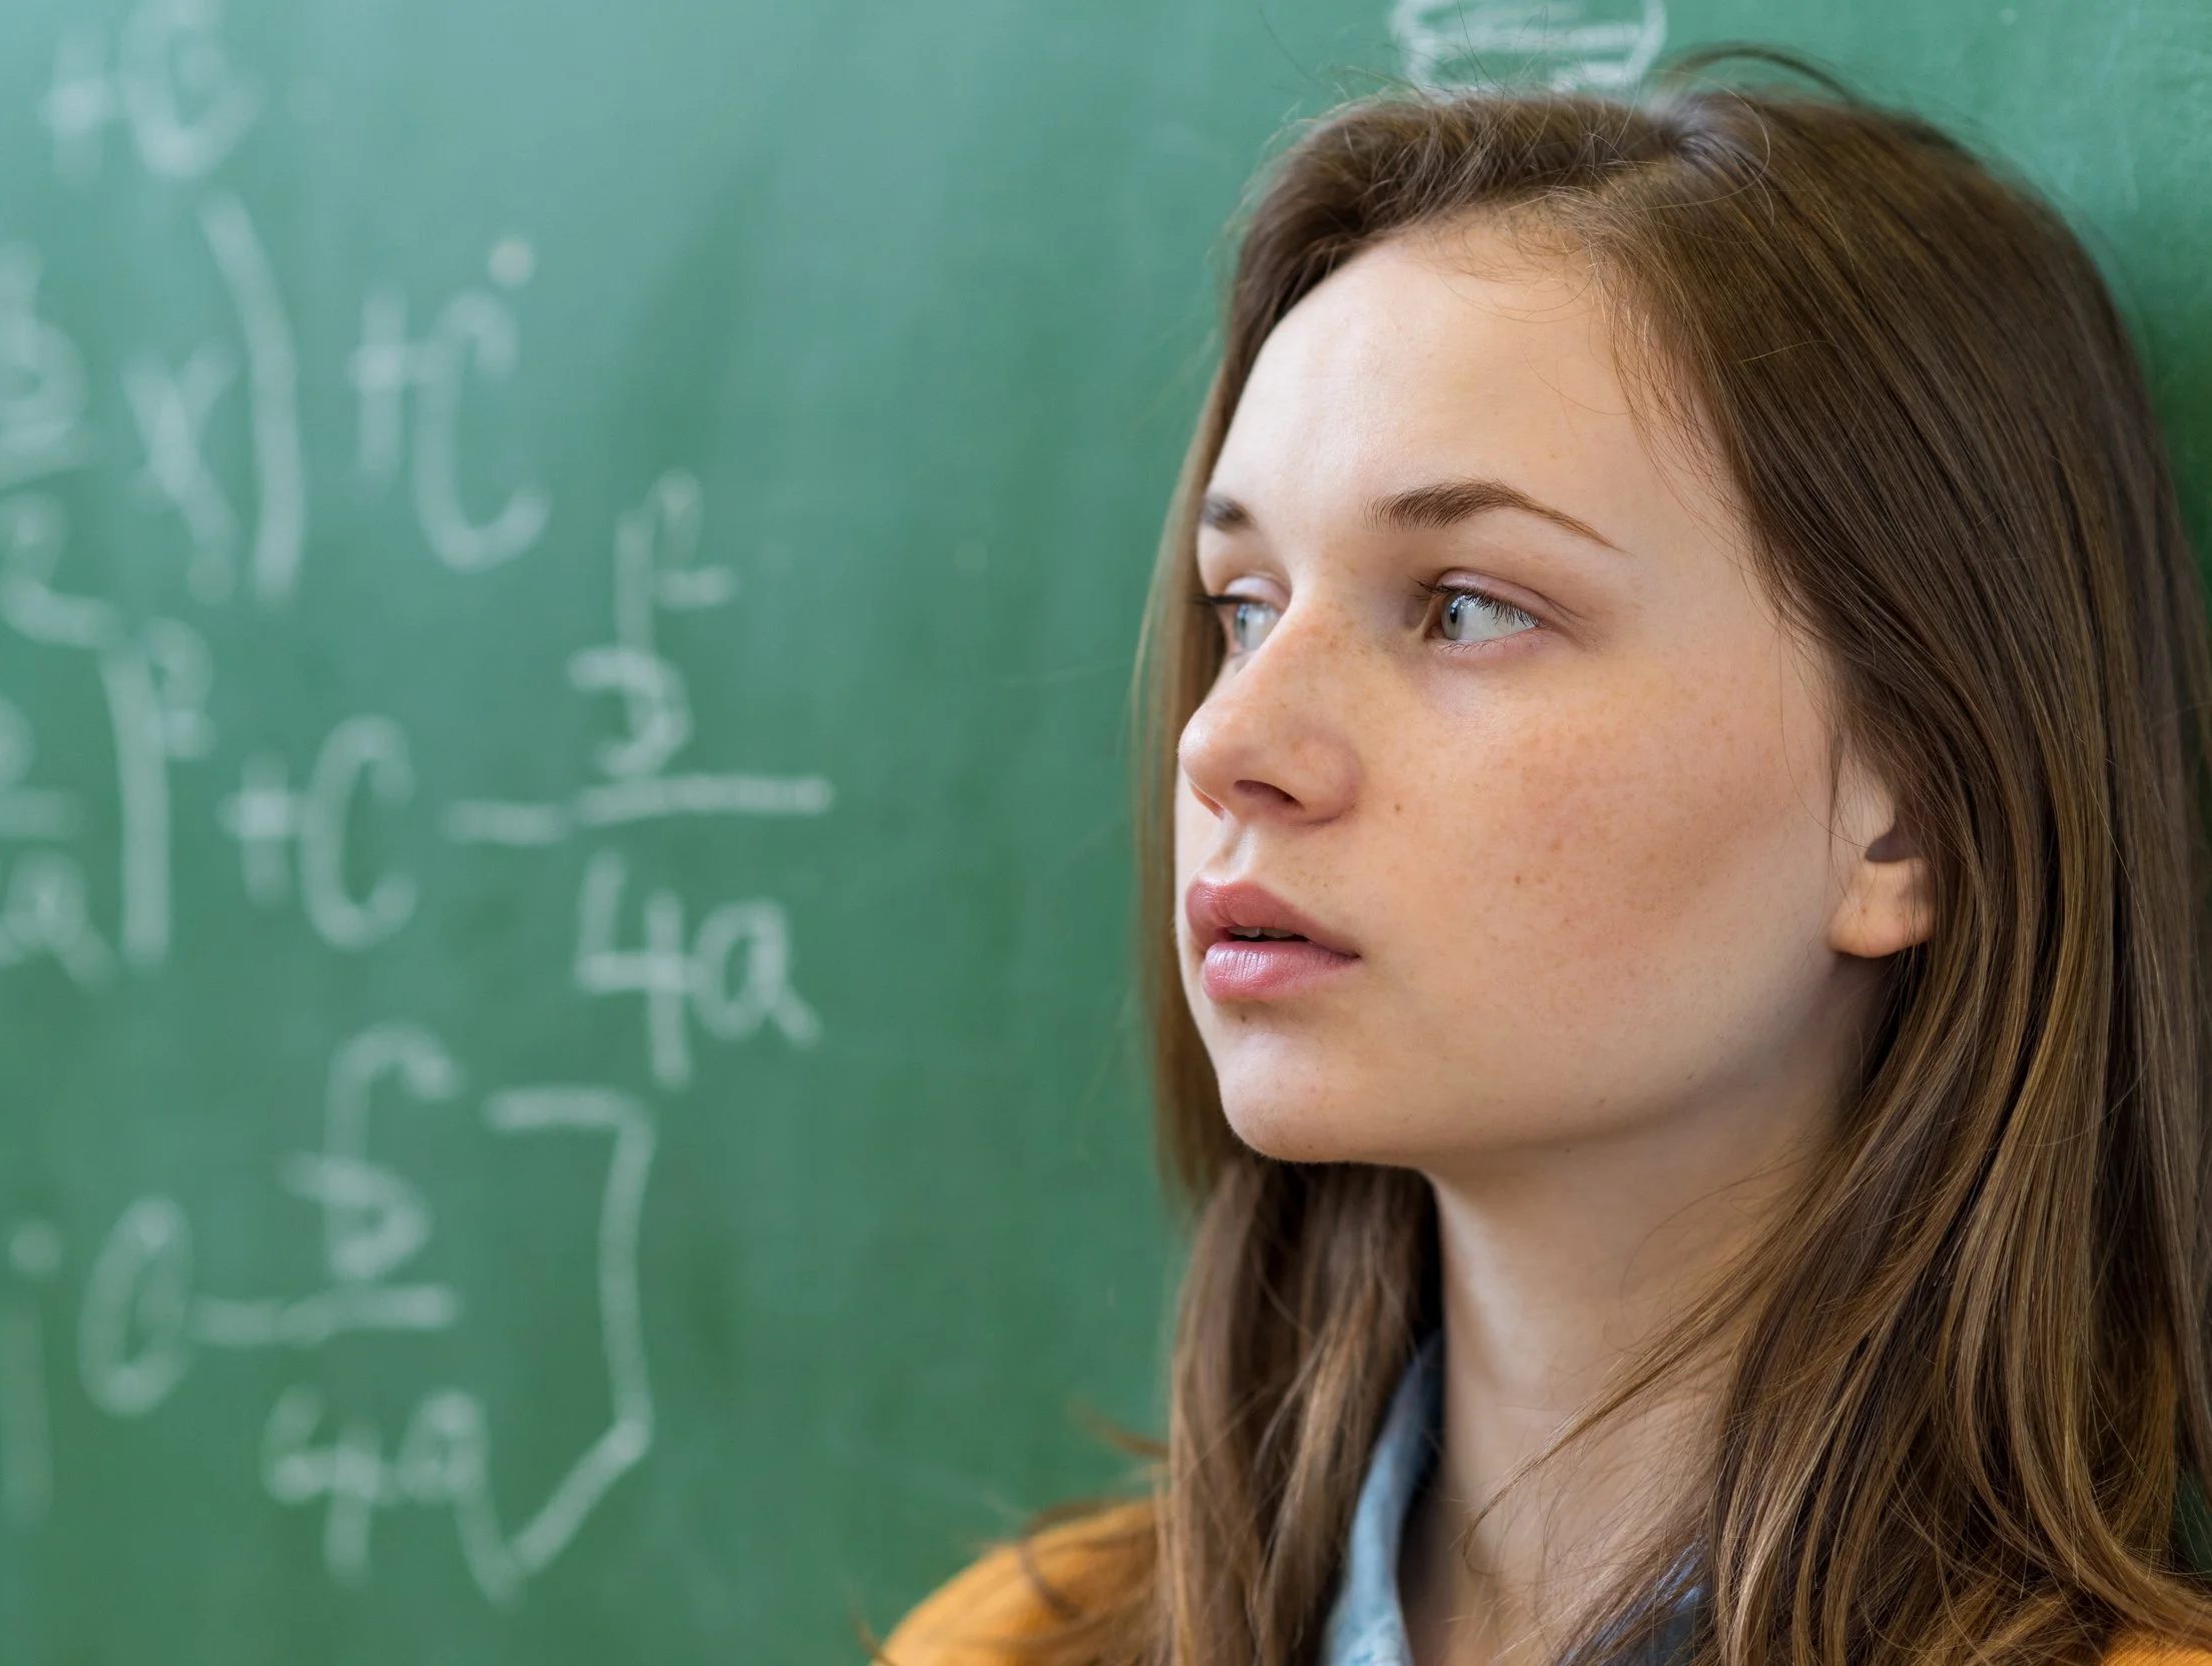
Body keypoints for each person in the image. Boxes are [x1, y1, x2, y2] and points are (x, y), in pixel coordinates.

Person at [869, 51, 2212, 1666]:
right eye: (1243, 608)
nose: (1226, 743)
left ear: (1909, 811)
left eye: (1467, 606)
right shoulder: (1014, 1647)